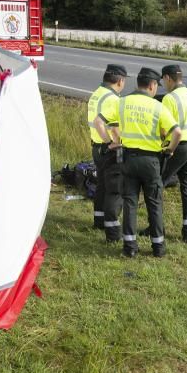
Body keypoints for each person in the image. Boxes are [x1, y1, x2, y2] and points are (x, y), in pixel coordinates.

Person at [118, 67, 181, 258]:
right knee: (154, 203)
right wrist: (169, 150)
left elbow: (106, 123)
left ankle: (129, 246)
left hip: (128, 158)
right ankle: (158, 247)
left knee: (130, 202)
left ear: (138, 83)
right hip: (151, 161)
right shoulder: (158, 107)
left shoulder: (122, 102)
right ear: (152, 85)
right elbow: (177, 132)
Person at [159, 64, 187, 243]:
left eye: (163, 80)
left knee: (158, 183)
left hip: (179, 146)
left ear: (168, 78)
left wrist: (165, 147)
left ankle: (156, 227)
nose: (163, 84)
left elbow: (164, 128)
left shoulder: (170, 99)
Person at [86, 64, 127, 242]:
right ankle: (112, 231)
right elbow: (113, 128)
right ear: (120, 81)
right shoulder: (113, 99)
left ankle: (99, 220)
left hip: (96, 147)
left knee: (101, 186)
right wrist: (114, 143)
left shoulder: (96, 94)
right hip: (109, 148)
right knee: (114, 190)